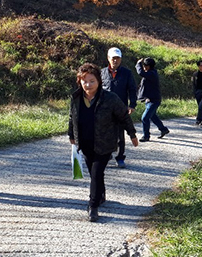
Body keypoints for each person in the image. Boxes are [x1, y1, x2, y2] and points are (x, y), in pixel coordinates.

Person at [68, 63, 139, 222]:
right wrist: (71, 135)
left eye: (92, 81)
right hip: (85, 143)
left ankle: (93, 206)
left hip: (104, 143)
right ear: (79, 81)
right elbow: (72, 118)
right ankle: (101, 195)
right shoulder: (76, 98)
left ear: (99, 81)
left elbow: (124, 116)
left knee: (96, 173)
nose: (88, 85)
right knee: (95, 173)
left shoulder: (110, 98)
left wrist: (132, 134)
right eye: (84, 81)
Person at [100, 47, 136, 168]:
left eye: (118, 58)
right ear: (108, 58)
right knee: (105, 133)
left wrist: (132, 105)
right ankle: (107, 154)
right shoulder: (102, 73)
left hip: (121, 109)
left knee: (120, 135)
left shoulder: (127, 73)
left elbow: (132, 89)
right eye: (113, 58)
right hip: (105, 109)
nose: (115, 61)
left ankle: (120, 157)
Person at [136, 58, 169, 141]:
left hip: (154, 100)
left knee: (144, 118)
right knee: (153, 116)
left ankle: (146, 136)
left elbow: (140, 73)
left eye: (145, 65)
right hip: (149, 99)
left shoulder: (152, 74)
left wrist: (138, 64)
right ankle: (163, 129)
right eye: (143, 65)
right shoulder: (149, 73)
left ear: (150, 66)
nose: (144, 67)